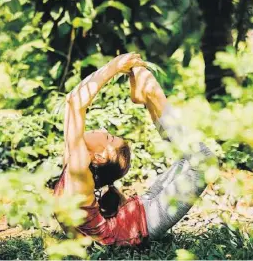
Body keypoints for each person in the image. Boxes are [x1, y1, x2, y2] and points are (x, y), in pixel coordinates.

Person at [54, 53, 217, 246]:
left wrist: (114, 67)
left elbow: (72, 102)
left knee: (189, 159)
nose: (104, 130)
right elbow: (74, 101)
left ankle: (151, 98)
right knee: (204, 161)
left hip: (137, 212)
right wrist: (113, 67)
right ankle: (153, 96)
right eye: (109, 136)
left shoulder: (74, 165)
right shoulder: (79, 171)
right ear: (99, 157)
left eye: (108, 136)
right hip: (143, 223)